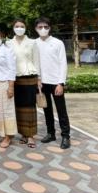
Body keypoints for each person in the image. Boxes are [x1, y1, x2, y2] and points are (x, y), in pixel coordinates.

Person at [35, 17, 71, 149]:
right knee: (47, 109)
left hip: (56, 82)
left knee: (61, 110)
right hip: (42, 83)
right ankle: (51, 133)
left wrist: (61, 83)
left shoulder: (57, 43)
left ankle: (66, 136)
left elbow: (63, 63)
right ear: (36, 29)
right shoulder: (35, 43)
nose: (43, 29)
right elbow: (35, 63)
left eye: (45, 27)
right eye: (40, 27)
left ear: (50, 28)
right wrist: (38, 79)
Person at [8, 19, 40, 148]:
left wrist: (39, 79)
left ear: (26, 28)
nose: (19, 28)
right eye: (17, 26)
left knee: (30, 106)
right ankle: (23, 134)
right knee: (18, 107)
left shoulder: (32, 42)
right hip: (15, 78)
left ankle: (31, 135)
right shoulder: (9, 43)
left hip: (30, 76)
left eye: (22, 26)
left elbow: (36, 61)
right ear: (13, 28)